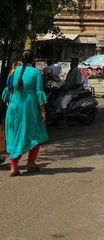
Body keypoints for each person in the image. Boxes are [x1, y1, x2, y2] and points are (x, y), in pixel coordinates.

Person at [3, 49, 48, 177]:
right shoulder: (35, 72)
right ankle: (31, 163)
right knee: (35, 133)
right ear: (33, 60)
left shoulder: (12, 72)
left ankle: (14, 167)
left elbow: (7, 91)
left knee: (14, 135)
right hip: (29, 109)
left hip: (13, 108)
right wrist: (43, 111)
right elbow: (39, 93)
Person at [58, 57, 82, 128]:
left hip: (72, 92)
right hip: (66, 90)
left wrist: (68, 88)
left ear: (76, 63)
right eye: (71, 62)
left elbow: (78, 84)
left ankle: (65, 122)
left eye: (73, 62)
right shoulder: (70, 71)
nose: (71, 64)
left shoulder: (77, 71)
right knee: (58, 100)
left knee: (63, 103)